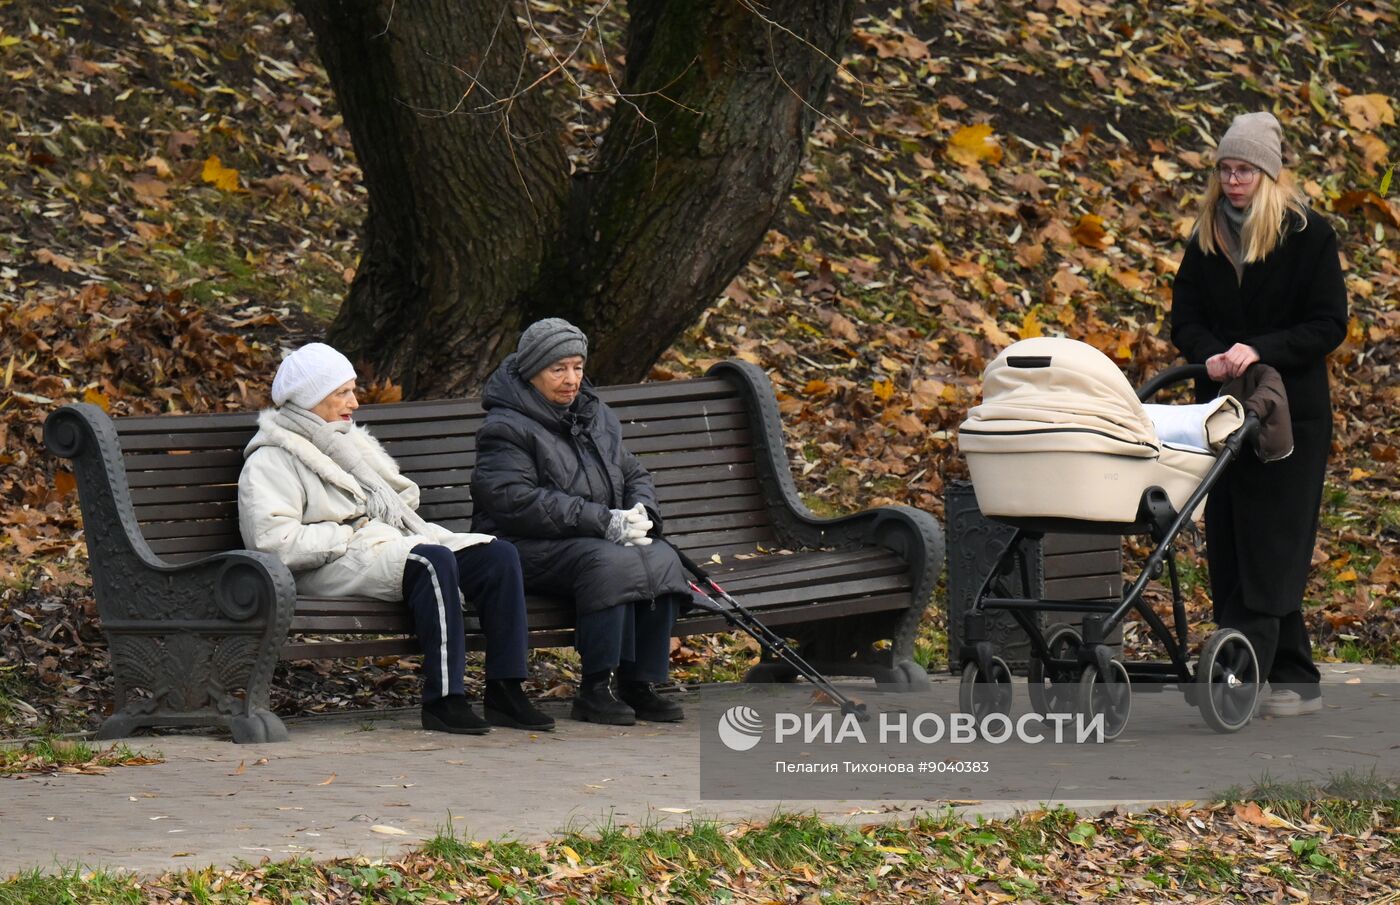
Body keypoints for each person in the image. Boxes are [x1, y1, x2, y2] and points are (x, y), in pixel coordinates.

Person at [237, 343, 554, 735]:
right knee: (431, 562)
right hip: (325, 563)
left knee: (497, 556)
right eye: (342, 392)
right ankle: (445, 700)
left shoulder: (346, 442)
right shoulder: (273, 457)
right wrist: (347, 531)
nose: (354, 401)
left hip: (378, 543)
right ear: (309, 398)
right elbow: (273, 543)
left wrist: (376, 518)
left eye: (352, 389)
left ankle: (506, 691)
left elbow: (397, 500)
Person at [1170, 111, 1348, 718]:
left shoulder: (1308, 235)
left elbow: (1329, 324)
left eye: (1244, 169)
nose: (1233, 180)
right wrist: (1209, 356)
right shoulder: (1208, 236)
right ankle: (1295, 676)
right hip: (1225, 410)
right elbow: (1184, 318)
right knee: (1233, 538)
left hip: (1291, 416)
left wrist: (1261, 348)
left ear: (1268, 175)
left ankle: (1242, 670)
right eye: (1225, 169)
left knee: (1273, 541)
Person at [471, 319, 693, 726]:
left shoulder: (594, 415)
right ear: (532, 372)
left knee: (660, 557)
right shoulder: (505, 427)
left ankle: (639, 683)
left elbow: (633, 472)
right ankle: (596, 688)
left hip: (587, 536)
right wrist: (602, 520)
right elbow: (513, 501)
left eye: (577, 366)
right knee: (608, 562)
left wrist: (641, 512)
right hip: (520, 545)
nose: (571, 379)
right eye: (558, 369)